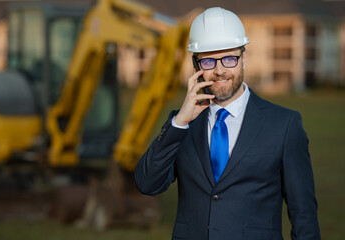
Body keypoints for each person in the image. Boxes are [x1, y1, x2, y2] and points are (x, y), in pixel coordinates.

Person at [135, 7, 321, 240]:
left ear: (244, 59)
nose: (220, 70)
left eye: (229, 59)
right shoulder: (181, 124)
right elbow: (147, 183)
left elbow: (303, 214)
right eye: (209, 61)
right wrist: (180, 122)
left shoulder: (284, 124)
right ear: (196, 67)